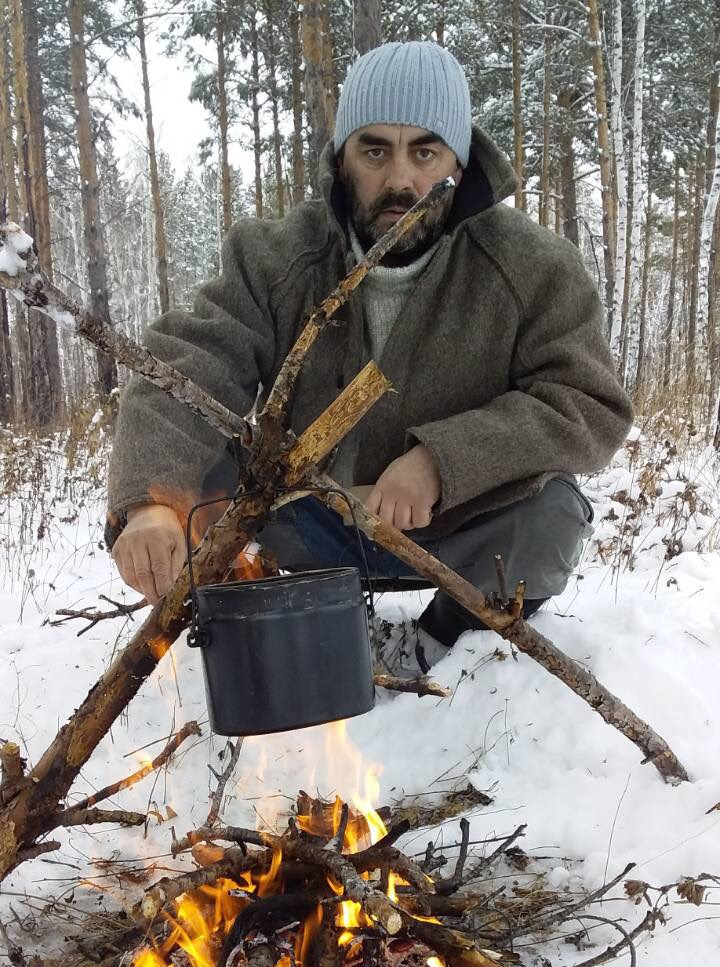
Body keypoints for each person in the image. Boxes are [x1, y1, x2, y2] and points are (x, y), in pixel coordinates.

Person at [107, 40, 632, 671]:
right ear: (342, 159)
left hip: (457, 528)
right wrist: (151, 505)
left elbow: (587, 401)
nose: (401, 179)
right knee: (201, 488)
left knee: (550, 515)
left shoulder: (532, 266)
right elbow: (189, 363)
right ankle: (307, 625)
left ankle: (441, 638)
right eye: (375, 150)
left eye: (426, 151)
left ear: (458, 164)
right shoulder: (274, 256)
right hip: (305, 524)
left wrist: (443, 460)